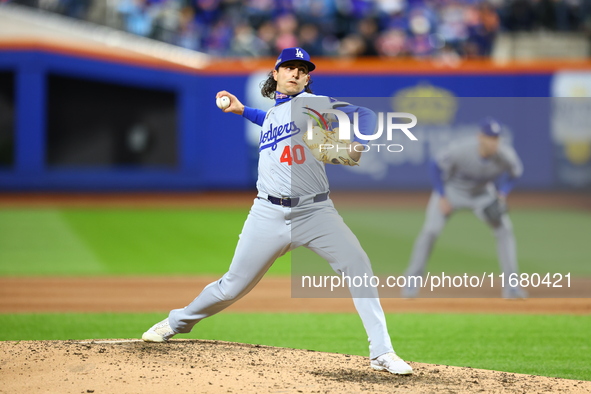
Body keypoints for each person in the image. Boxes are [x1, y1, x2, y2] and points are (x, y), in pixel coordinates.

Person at [141, 47, 413, 375]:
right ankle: (175, 322)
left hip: (316, 213)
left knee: (359, 266)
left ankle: (381, 351)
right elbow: (269, 118)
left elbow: (365, 114)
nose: (296, 73)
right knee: (231, 286)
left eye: (302, 69)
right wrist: (243, 111)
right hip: (267, 214)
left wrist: (358, 144)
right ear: (276, 73)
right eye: (289, 67)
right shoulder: (274, 114)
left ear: (308, 77)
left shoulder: (314, 103)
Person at [402, 118, 527, 299]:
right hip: (452, 190)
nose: (494, 142)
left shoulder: (506, 155)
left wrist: (502, 193)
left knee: (505, 229)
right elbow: (435, 166)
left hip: (482, 194)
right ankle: (412, 281)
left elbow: (515, 174)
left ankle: (512, 287)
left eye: (496, 138)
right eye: (490, 137)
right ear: (480, 137)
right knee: (430, 231)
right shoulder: (461, 150)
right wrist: (442, 196)